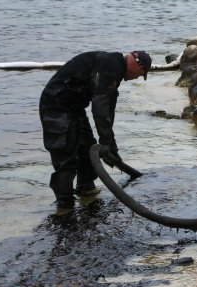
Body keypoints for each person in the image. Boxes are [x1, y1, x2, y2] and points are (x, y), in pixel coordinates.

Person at [40, 50, 152, 210]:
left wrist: (110, 144)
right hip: (55, 106)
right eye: (141, 74)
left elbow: (107, 110)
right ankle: (64, 206)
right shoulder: (111, 65)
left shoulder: (114, 68)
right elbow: (101, 107)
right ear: (137, 65)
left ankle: (86, 190)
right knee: (66, 156)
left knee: (87, 148)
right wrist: (106, 141)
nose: (138, 77)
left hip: (73, 107)